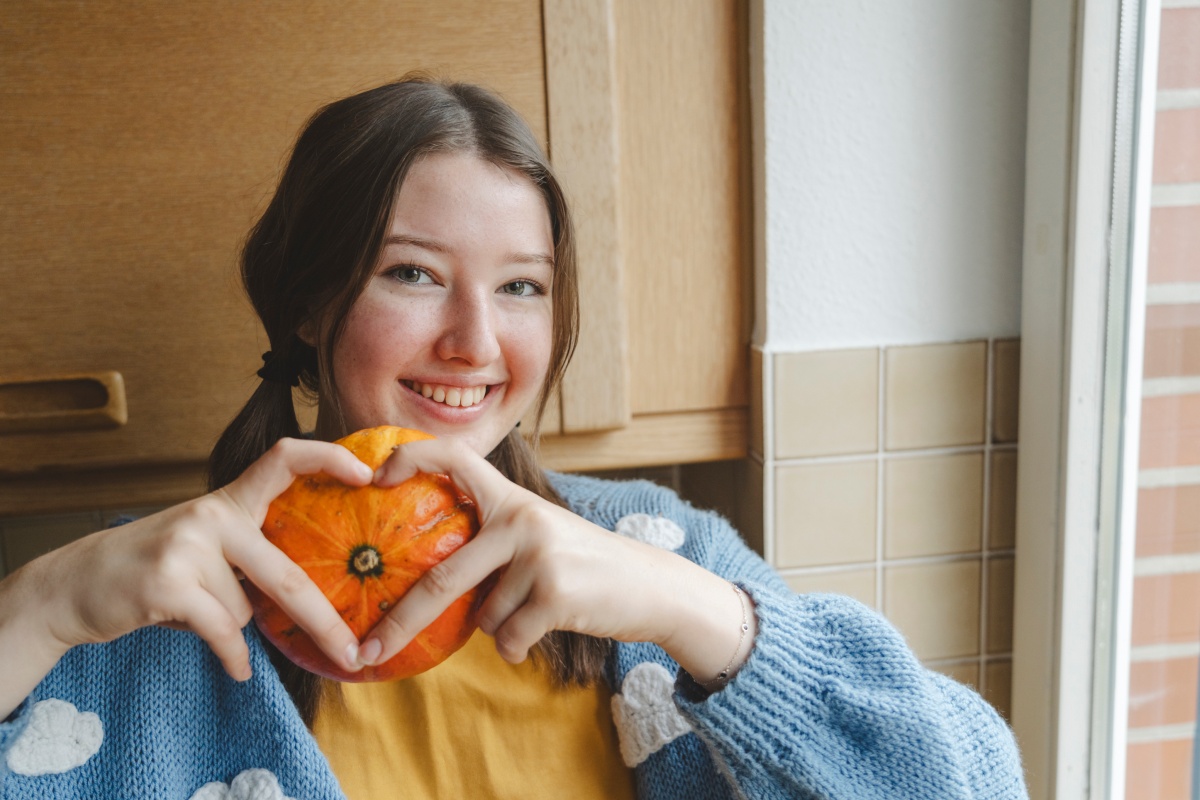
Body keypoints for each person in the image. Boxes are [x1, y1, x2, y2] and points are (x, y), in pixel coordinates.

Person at [0, 77, 1028, 799]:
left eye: (522, 287)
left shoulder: (649, 551)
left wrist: (700, 613)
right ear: (311, 303)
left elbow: (976, 782)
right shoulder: (152, 602)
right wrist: (40, 604)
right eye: (413, 272)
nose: (475, 341)